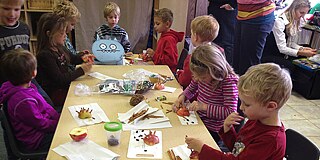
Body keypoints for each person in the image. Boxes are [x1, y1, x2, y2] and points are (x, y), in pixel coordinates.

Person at [185, 63, 291, 160]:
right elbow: (238, 149)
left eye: (247, 104)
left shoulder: (271, 140)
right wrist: (228, 130)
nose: (241, 107)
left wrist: (203, 149)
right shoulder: (256, 119)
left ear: (270, 106)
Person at [173, 44, 238, 144]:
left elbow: (230, 112)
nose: (199, 80)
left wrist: (204, 107)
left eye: (202, 78)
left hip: (214, 130)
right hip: (197, 119)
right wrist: (183, 97)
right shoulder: (202, 74)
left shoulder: (228, 82)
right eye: (196, 76)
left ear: (215, 70)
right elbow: (192, 88)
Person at [0, 49, 59, 152]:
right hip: (36, 141)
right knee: (67, 139)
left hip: (42, 129)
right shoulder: (23, 101)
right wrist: (58, 124)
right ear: (33, 73)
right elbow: (41, 123)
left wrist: (58, 118)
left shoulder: (28, 87)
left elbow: (45, 106)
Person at [36, 13, 93, 107]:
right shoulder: (45, 55)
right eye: (62, 33)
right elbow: (60, 80)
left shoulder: (59, 47)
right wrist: (82, 70)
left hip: (65, 88)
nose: (65, 36)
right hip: (56, 95)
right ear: (49, 34)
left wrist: (83, 57)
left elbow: (72, 58)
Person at [262, 0, 316, 72]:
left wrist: (301, 48)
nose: (302, 17)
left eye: (305, 14)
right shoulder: (279, 21)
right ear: (293, 9)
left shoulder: (293, 20)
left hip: (281, 53)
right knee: (290, 66)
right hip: (270, 54)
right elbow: (282, 48)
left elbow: (289, 43)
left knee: (306, 51)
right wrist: (301, 52)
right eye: (301, 13)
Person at [233, 0, 276, 75]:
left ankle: (248, 86)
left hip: (259, 15)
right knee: (237, 62)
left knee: (249, 66)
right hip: (243, 14)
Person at [176, 15, 220, 89]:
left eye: (191, 33)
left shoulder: (193, 57)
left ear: (195, 37)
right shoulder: (217, 53)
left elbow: (185, 80)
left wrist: (179, 73)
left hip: (193, 96)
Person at [146, 8, 184, 73]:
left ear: (167, 24)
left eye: (158, 24)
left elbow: (171, 61)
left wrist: (154, 55)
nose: (155, 26)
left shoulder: (169, 39)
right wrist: (153, 57)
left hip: (167, 73)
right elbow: (161, 55)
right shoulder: (163, 36)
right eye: (154, 23)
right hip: (161, 69)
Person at [207, 0, 237, 65]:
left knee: (227, 43)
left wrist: (233, 4)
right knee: (213, 41)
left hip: (227, 10)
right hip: (214, 7)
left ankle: (228, 72)